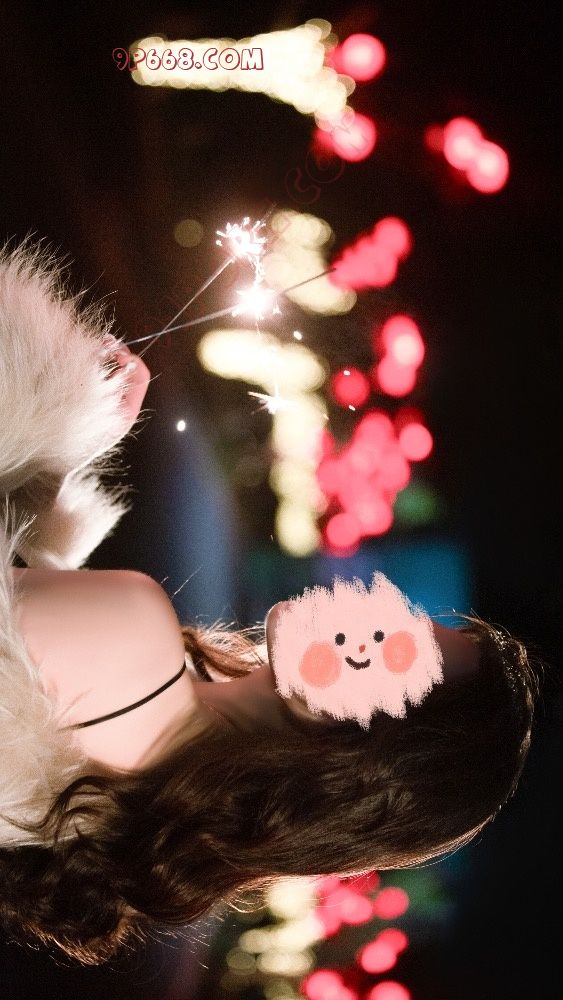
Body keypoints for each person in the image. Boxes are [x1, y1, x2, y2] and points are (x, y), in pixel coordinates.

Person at [0, 241, 544, 966]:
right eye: (408, 621)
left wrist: (51, 411)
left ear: (363, 752)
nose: (378, 621)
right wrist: (60, 457)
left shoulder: (136, 636)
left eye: (403, 655)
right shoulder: (122, 816)